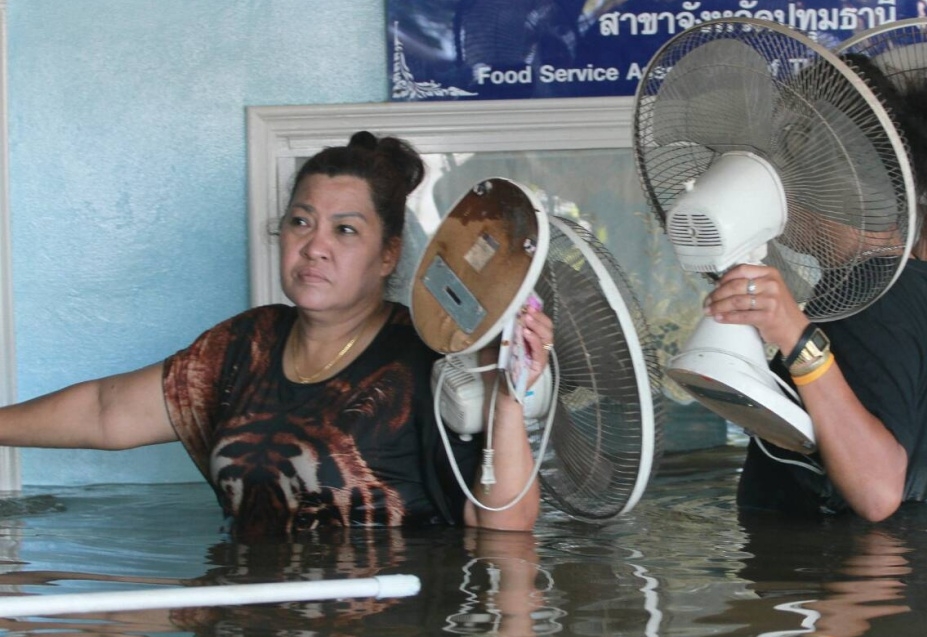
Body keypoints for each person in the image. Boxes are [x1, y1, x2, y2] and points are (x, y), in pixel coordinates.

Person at [0, 131, 552, 537]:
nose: (315, 246)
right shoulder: (246, 344)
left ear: (388, 255)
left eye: (345, 230)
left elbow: (503, 527)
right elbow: (105, 410)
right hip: (252, 623)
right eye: (300, 221)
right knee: (94, 633)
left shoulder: (430, 360)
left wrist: (508, 395)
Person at [706, 55, 927, 522]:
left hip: (841, 563)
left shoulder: (873, 298)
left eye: (782, 157)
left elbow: (878, 492)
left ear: (828, 177)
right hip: (886, 561)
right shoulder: (906, 280)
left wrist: (795, 335)